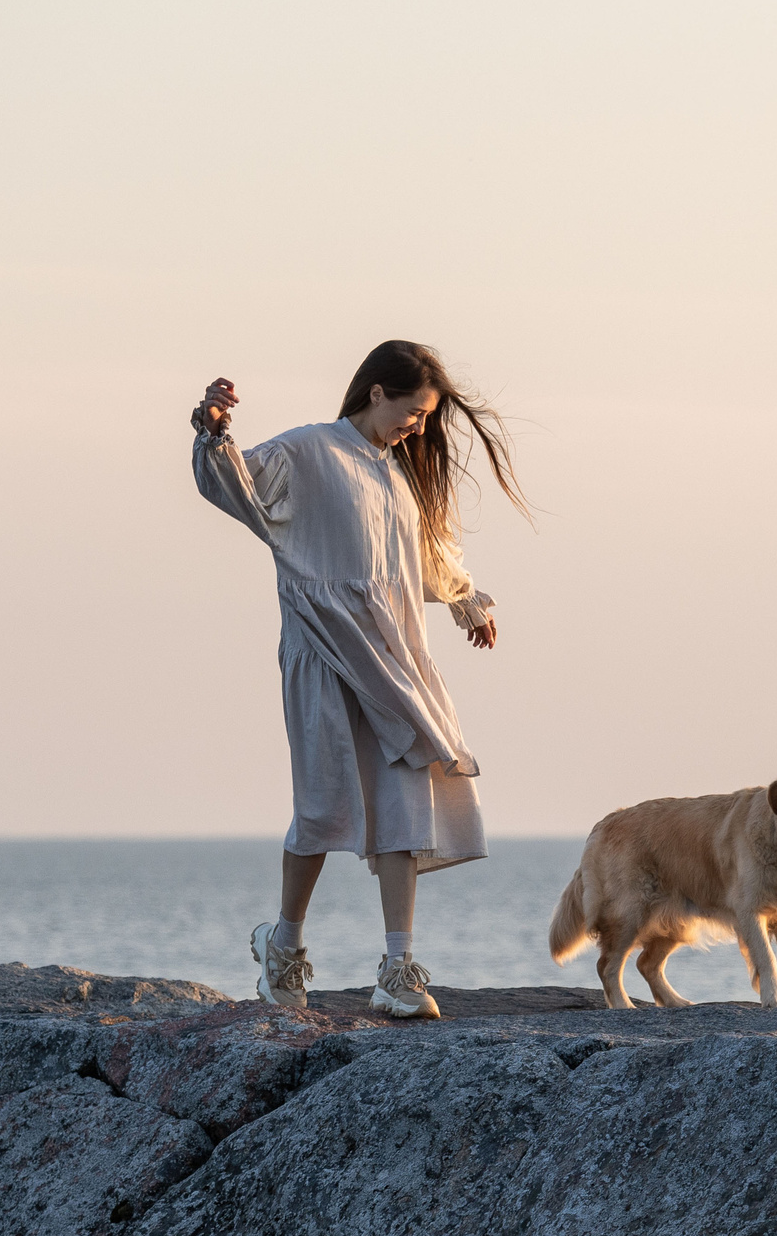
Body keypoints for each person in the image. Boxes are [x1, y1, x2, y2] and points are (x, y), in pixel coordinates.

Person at [190, 340, 528, 1019]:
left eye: (428, 417)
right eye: (415, 411)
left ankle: (397, 968)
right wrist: (214, 430)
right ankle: (282, 946)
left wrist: (465, 599)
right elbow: (238, 485)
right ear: (377, 392)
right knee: (323, 806)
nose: (420, 427)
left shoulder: (397, 476)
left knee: (405, 801)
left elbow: (423, 561)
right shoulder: (310, 450)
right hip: (321, 652)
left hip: (395, 662)